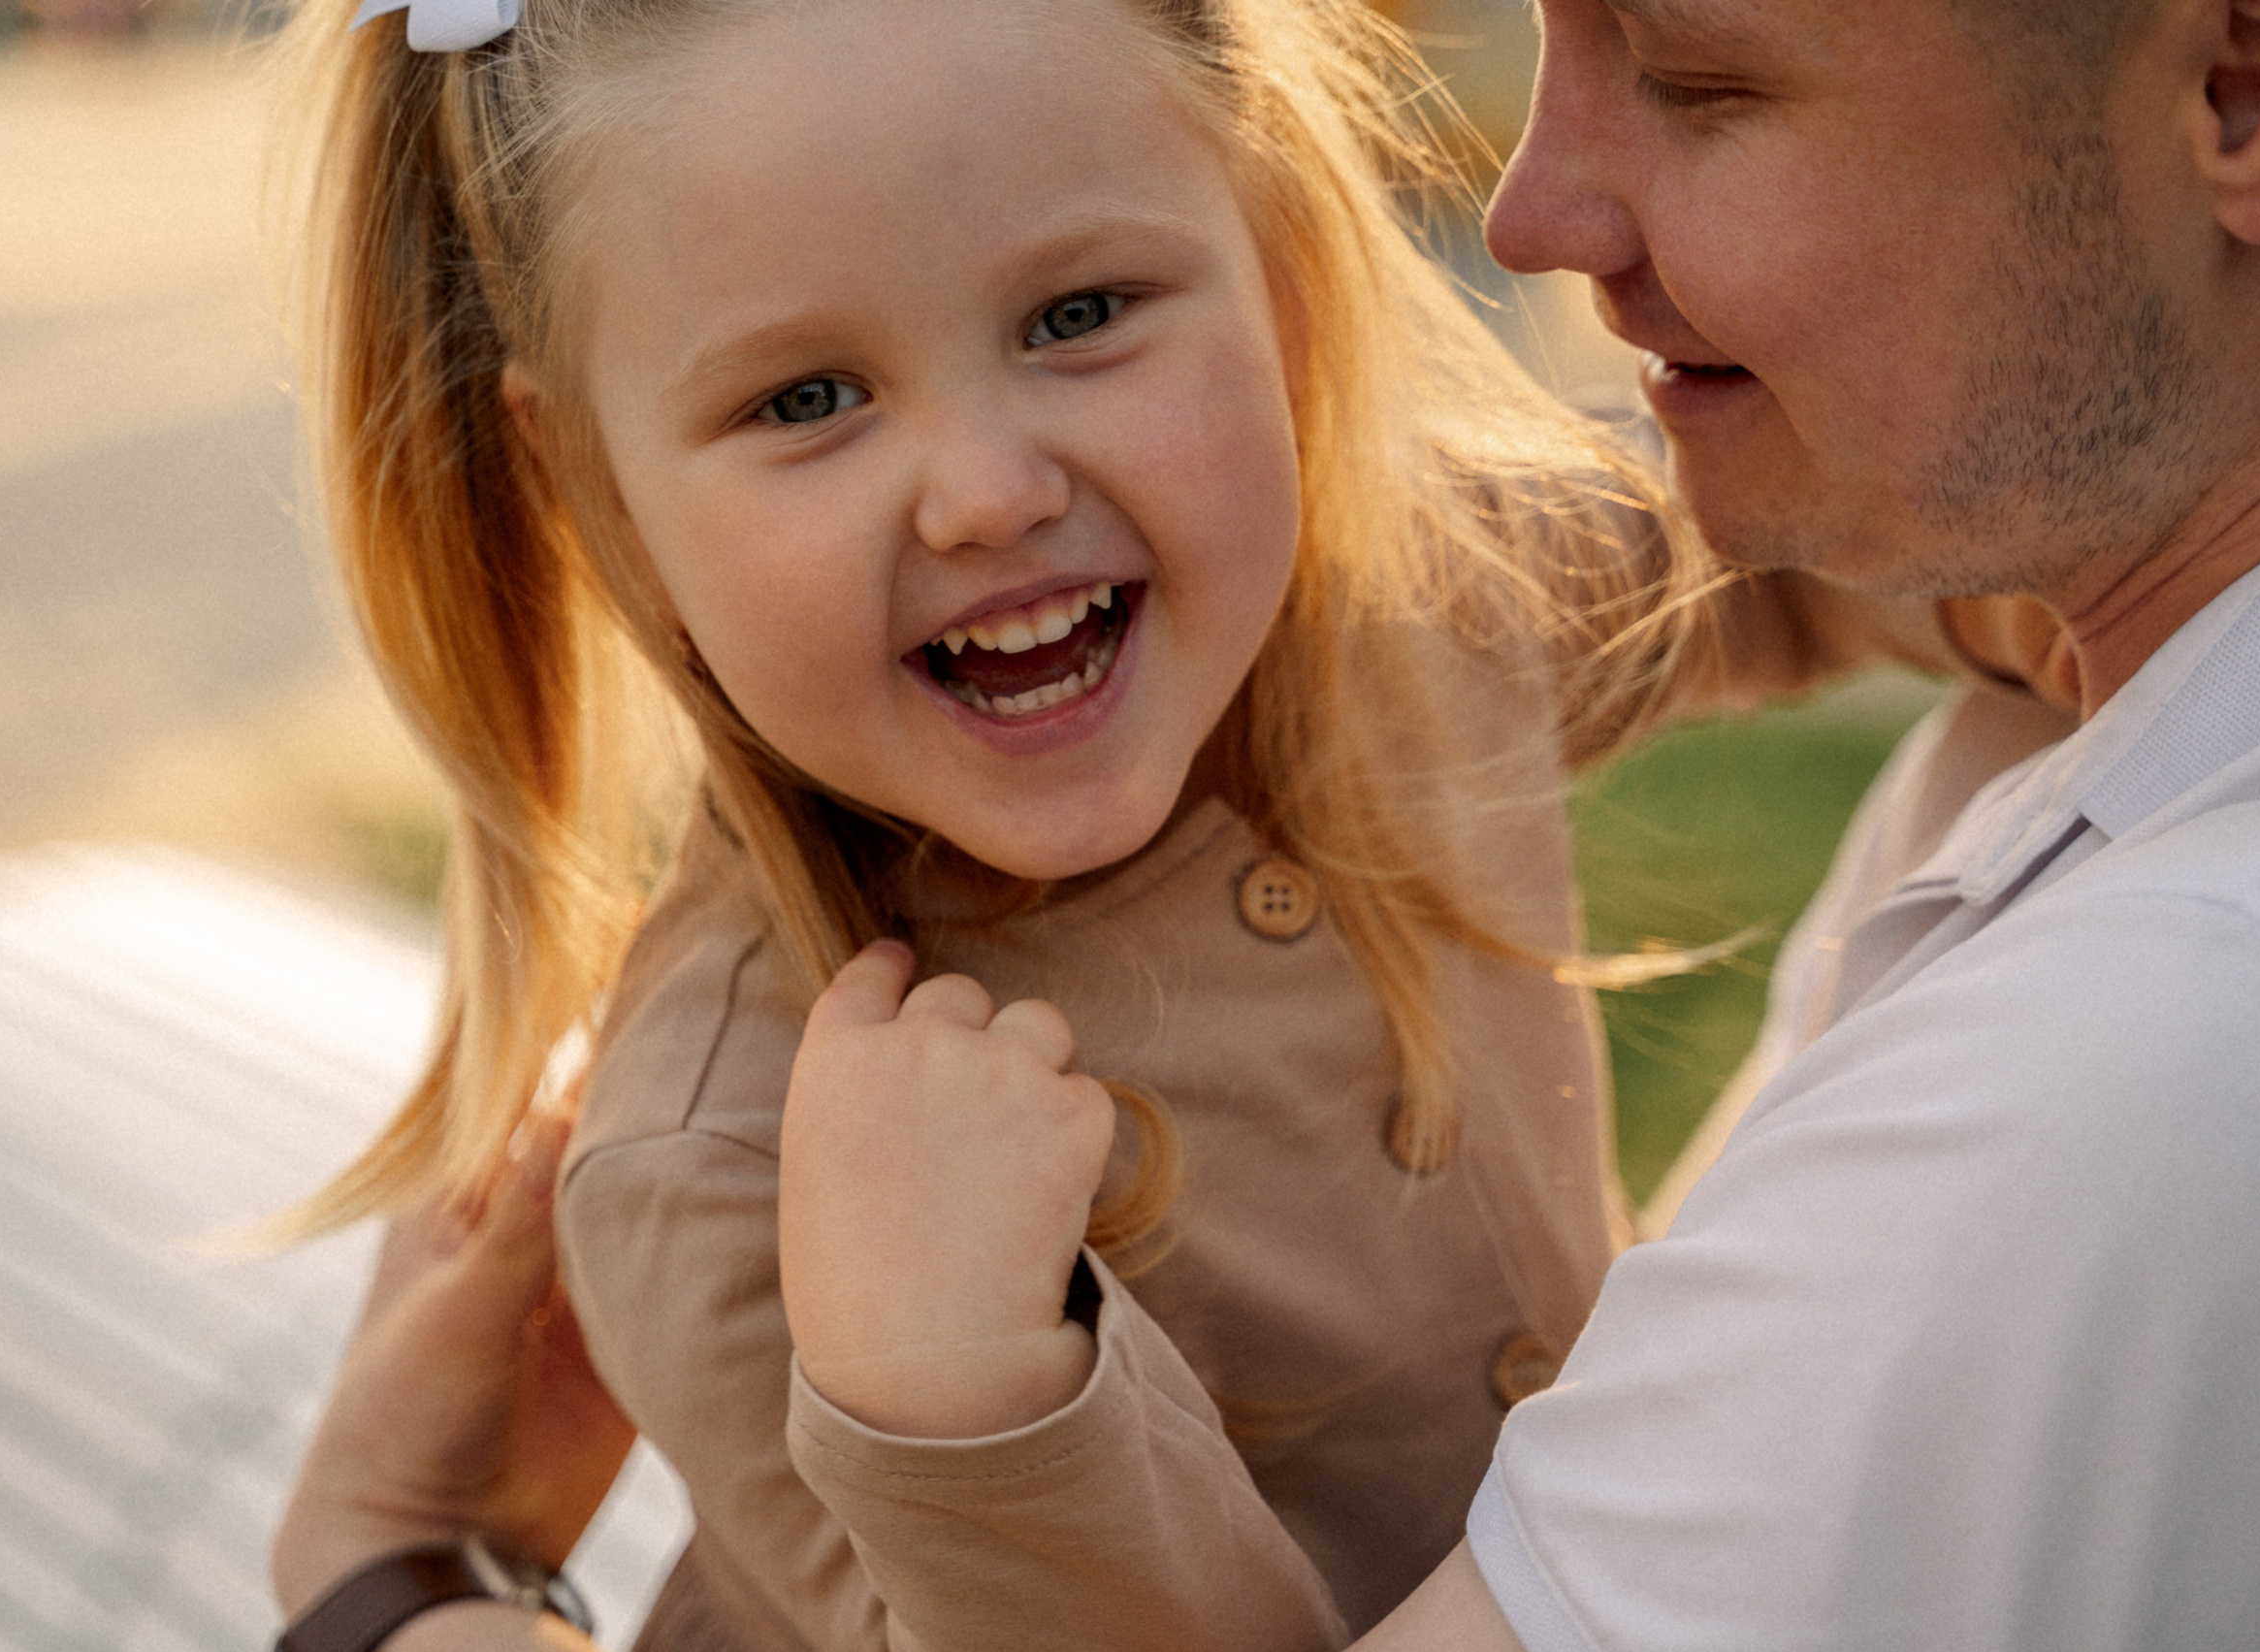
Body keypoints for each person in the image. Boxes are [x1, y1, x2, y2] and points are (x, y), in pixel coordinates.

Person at [259, 0, 2015, 1646]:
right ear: (603, 509)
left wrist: (2041, 604)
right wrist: (968, 1409)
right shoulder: (722, 1164)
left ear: (1285, 290)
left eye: (1078, 316)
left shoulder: (1427, 595)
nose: (990, 489)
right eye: (806, 399)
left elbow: (1804, 558)